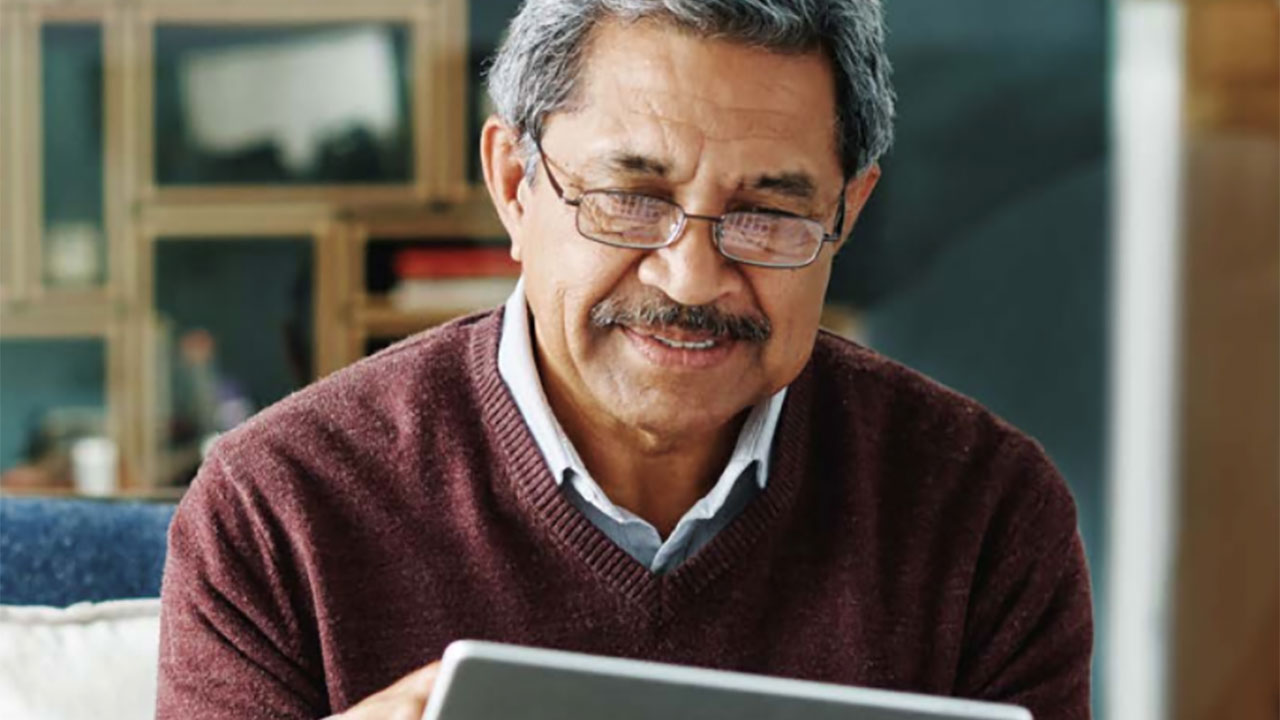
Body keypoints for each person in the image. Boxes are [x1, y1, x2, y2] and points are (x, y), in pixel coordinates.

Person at [156, 2, 1093, 719]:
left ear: (844, 215)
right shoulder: (277, 506)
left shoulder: (984, 510)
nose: (691, 281)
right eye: (632, 197)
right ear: (515, 185)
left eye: (766, 213)